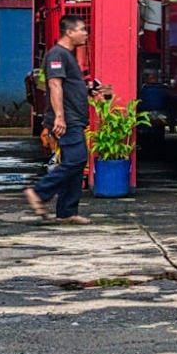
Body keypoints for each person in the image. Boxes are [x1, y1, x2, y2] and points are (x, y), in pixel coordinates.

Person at [24, 15, 110, 224]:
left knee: (77, 163)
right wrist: (59, 118)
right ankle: (38, 192)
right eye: (82, 29)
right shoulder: (57, 55)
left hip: (74, 117)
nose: (85, 33)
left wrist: (89, 89)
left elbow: (70, 86)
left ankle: (67, 212)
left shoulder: (68, 56)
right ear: (69, 32)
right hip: (66, 119)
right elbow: (54, 86)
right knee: (76, 159)